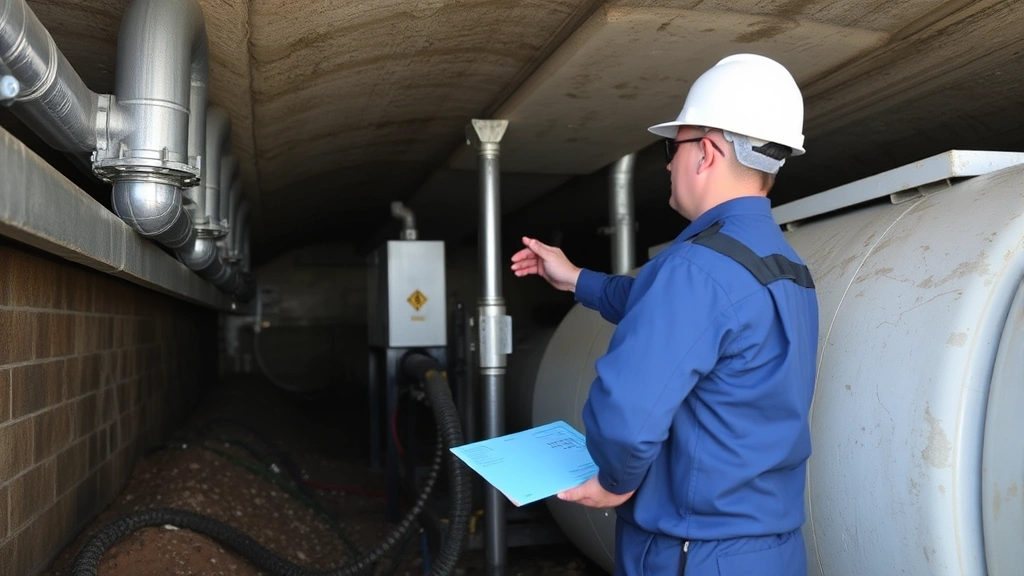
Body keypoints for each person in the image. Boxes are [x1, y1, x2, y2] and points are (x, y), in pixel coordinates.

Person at [510, 53, 819, 576]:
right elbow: (679, 314)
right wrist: (577, 278)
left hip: (693, 554)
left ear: (707, 153)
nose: (669, 164)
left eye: (673, 147)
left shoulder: (695, 269)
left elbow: (628, 412)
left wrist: (614, 481)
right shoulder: (784, 266)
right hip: (770, 551)